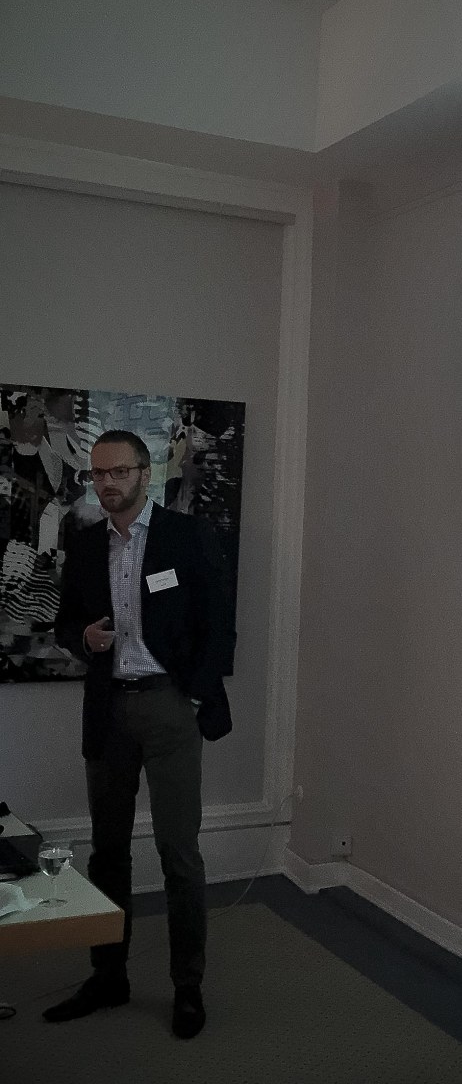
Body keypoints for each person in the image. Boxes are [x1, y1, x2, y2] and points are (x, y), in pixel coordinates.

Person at [44, 430, 235, 1038]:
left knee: (179, 853)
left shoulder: (185, 536)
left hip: (170, 708)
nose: (106, 483)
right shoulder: (85, 542)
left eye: (118, 472)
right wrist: (84, 639)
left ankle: (187, 986)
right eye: (97, 474)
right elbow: (64, 624)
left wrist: (194, 695)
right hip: (109, 711)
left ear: (145, 473)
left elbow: (219, 624)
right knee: (108, 852)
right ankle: (109, 976)